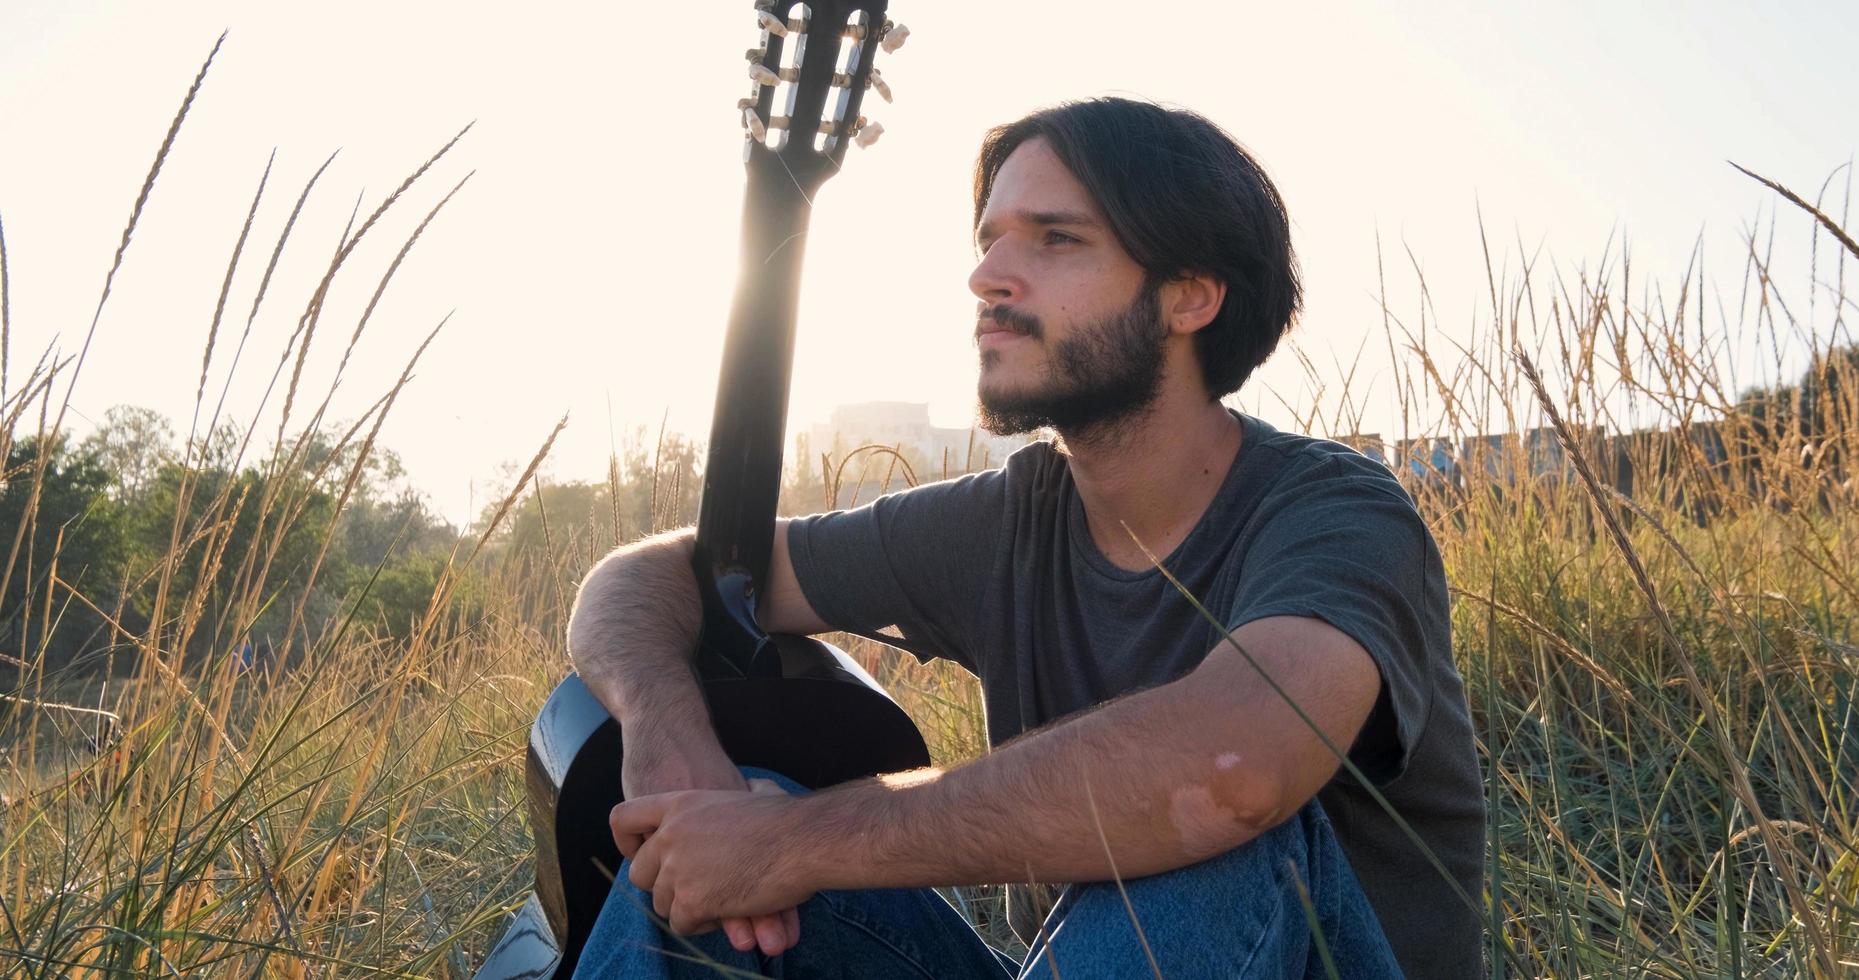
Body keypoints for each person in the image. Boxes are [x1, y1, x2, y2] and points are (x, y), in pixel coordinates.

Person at [567, 97, 1485, 979]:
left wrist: (793, 841)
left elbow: (1235, 768)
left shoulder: (1334, 511)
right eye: (989, 241)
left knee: (1202, 833)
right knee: (698, 853)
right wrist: (665, 729)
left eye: (1055, 239)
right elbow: (656, 574)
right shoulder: (1009, 520)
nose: (987, 277)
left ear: (1190, 297)